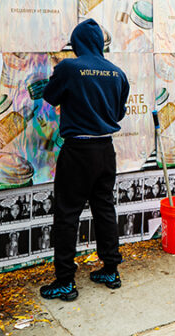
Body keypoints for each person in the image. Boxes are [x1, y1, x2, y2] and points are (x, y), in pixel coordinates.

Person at [39, 18, 130, 301]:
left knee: (67, 214)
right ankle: (111, 270)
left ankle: (65, 280)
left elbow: (50, 96)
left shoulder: (69, 68)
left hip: (78, 151)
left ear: (76, 43)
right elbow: (118, 113)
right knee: (104, 208)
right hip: (106, 150)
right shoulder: (117, 73)